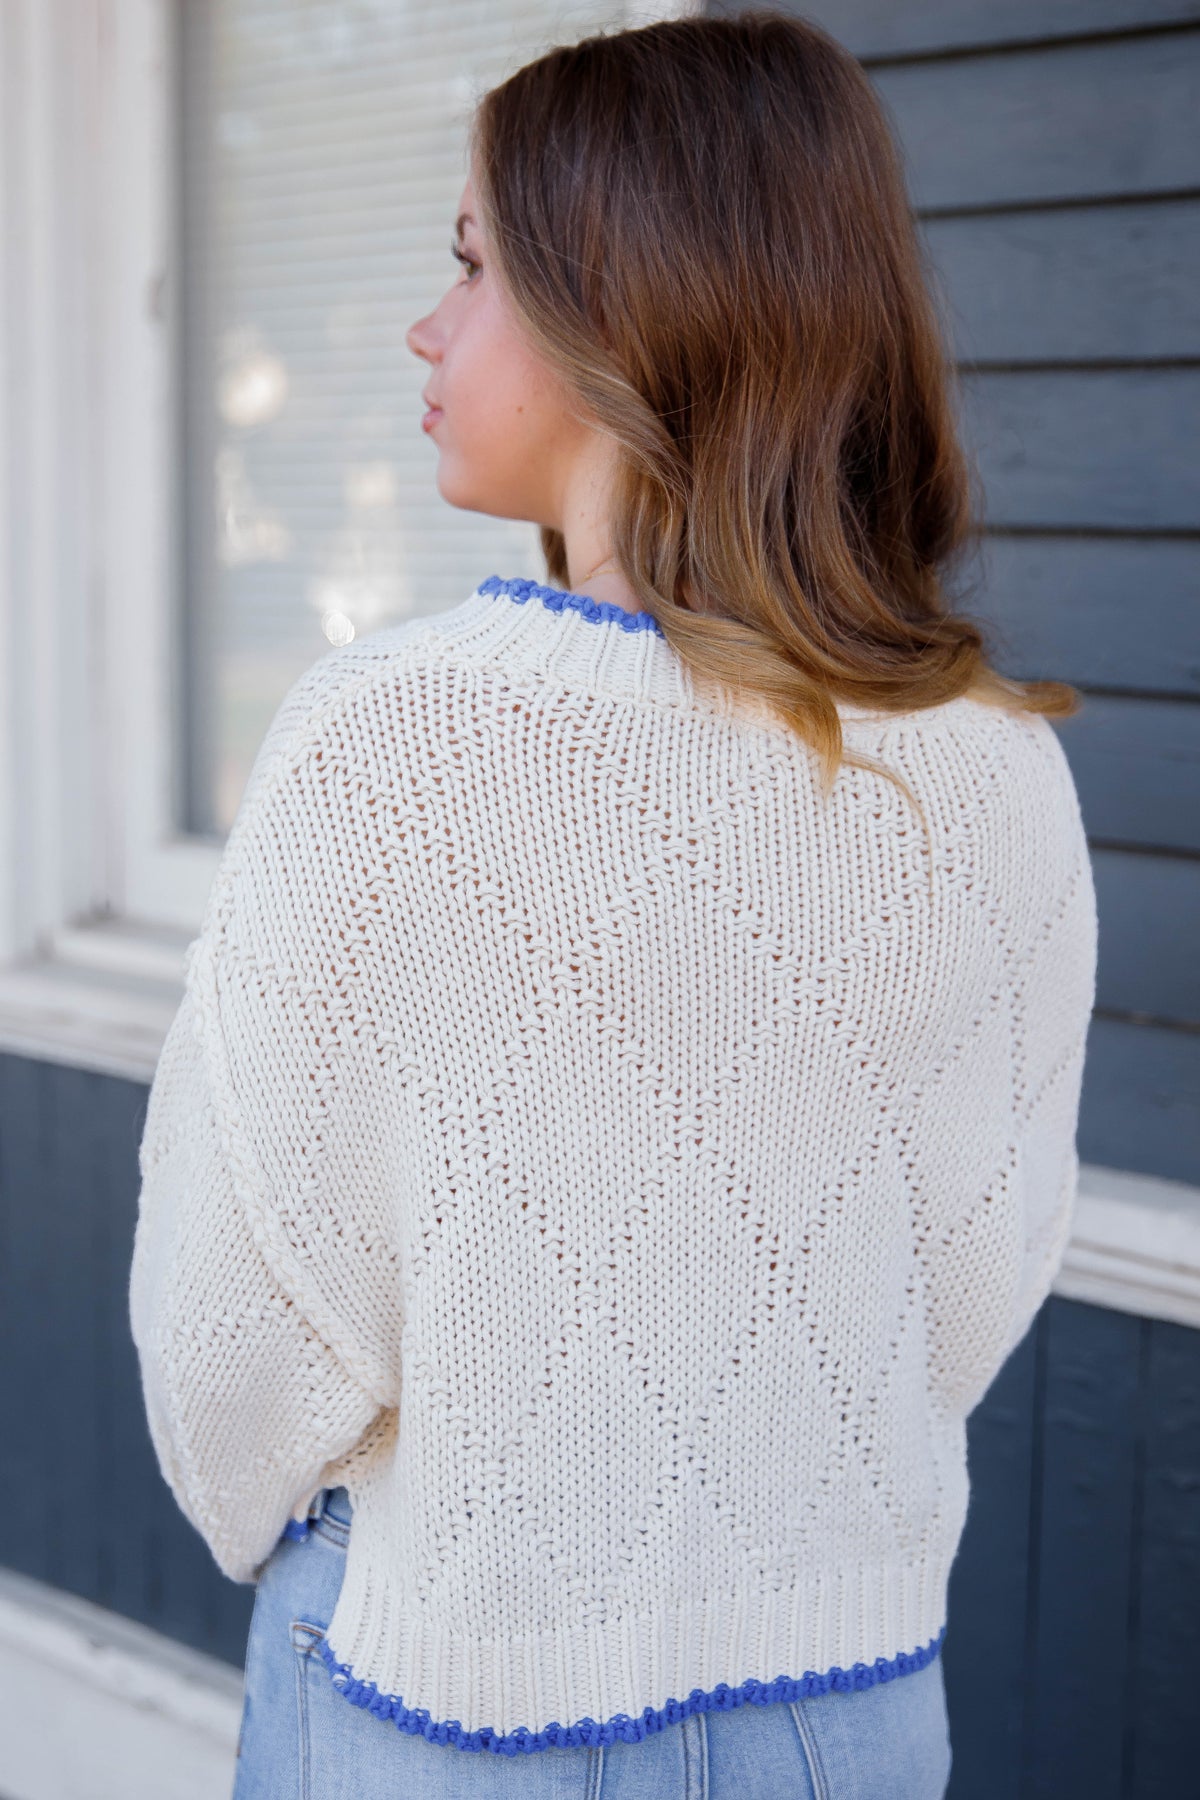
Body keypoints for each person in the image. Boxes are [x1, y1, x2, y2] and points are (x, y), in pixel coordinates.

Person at [129, 9, 1098, 1796]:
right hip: (846, 1706)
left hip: (441, 1681)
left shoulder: (391, 739)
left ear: (620, 307)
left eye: (471, 265)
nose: (427, 328)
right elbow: (975, 1273)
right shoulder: (995, 766)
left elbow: (232, 1348)